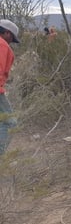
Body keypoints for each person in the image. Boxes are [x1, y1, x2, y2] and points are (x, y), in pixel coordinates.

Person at [0, 19, 20, 154]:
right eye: (12, 37)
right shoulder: (2, 45)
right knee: (10, 122)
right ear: (7, 33)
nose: (11, 41)